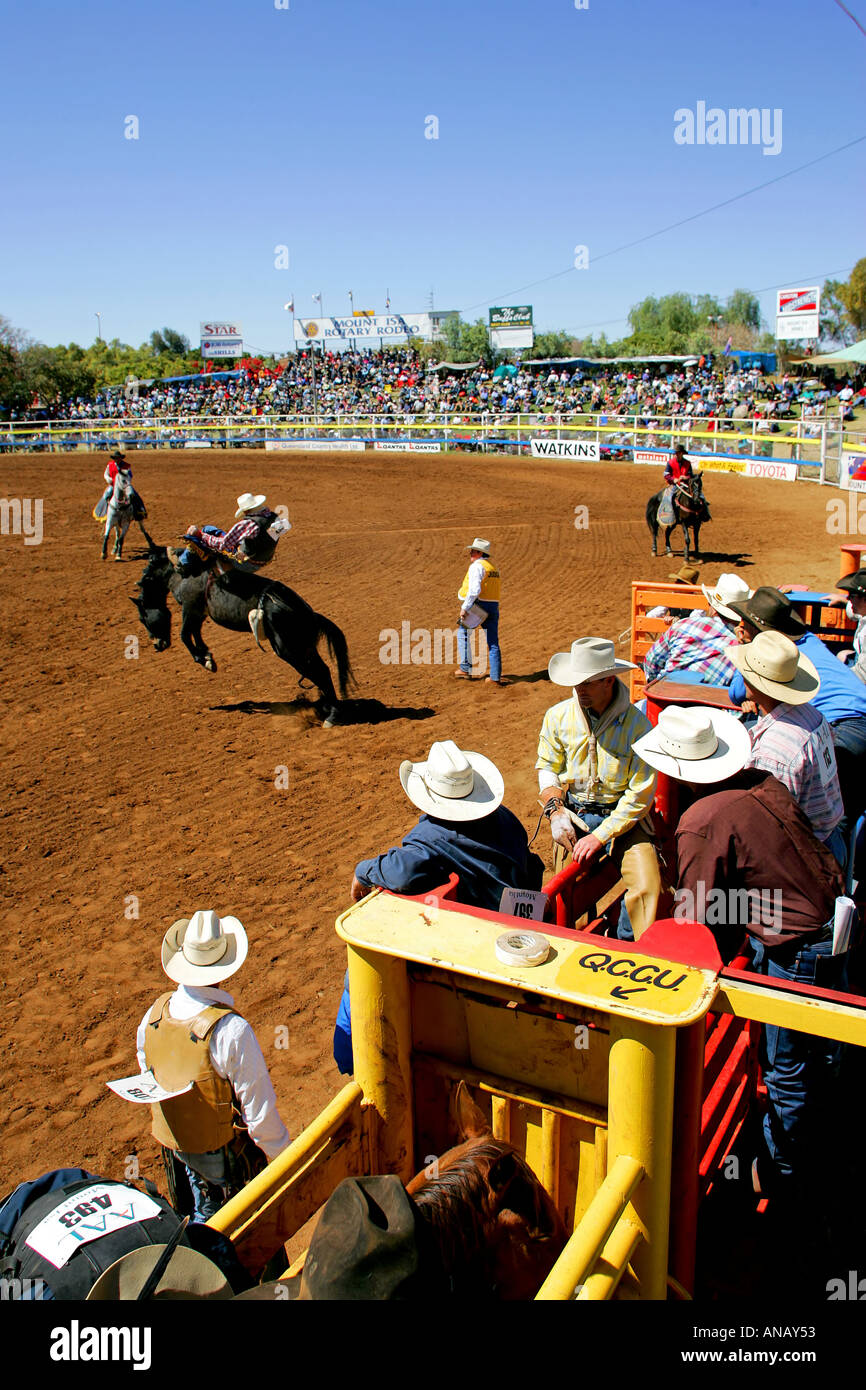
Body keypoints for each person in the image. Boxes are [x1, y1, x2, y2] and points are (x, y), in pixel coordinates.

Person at [632, 705, 847, 1198]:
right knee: (816, 1053)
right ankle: (808, 1147)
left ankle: (783, 1177)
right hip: (824, 920)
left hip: (796, 944)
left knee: (786, 1066)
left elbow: (695, 917)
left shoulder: (700, 822)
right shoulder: (762, 782)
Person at [334, 740, 543, 1072]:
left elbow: (400, 872)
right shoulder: (505, 818)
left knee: (358, 973)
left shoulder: (433, 838)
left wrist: (362, 871)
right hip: (520, 930)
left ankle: (349, 1056)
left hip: (482, 948)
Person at [136, 909, 290, 1221]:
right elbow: (260, 1118)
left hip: (174, 1148)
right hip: (221, 1162)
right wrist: (284, 1160)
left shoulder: (153, 1016)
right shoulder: (231, 1031)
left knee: (189, 1215)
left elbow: (147, 1072)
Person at [535, 636, 661, 940]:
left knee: (647, 885)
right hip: (574, 813)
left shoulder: (638, 726)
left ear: (608, 680)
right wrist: (555, 811)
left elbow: (639, 795)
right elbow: (547, 767)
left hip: (625, 820)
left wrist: (600, 835)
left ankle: (626, 942)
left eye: (588, 683)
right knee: (564, 890)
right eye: (577, 682)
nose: (579, 689)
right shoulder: (557, 717)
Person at [728, 586, 866, 827]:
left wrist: (747, 646)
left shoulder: (777, 657)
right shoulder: (807, 640)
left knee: (826, 817)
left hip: (844, 728)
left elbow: (737, 692)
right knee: (840, 810)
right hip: (850, 722)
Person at [729, 630, 845, 862]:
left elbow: (772, 825)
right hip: (830, 838)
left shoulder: (774, 751)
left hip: (805, 856)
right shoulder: (812, 715)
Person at [644, 572, 750, 687]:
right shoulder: (742, 650)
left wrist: (655, 684)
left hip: (666, 694)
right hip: (710, 701)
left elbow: (650, 661)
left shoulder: (683, 625)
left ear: (712, 607)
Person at [168, 493, 290, 574]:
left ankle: (183, 564)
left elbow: (223, 545)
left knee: (203, 533)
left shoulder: (248, 524)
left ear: (246, 510)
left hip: (246, 563)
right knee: (210, 529)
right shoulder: (275, 517)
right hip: (264, 559)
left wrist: (199, 535)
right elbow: (281, 530)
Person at [455, 537, 502, 685]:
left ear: (479, 552)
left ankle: (465, 668)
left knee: (463, 633)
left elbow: (475, 590)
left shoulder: (477, 566)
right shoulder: (493, 568)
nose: (470, 553)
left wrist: (465, 608)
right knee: (493, 642)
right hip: (493, 606)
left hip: (479, 606)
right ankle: (495, 677)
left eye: (473, 551)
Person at [836, 567, 866, 684]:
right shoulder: (863, 611)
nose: (848, 599)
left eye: (852, 596)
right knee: (841, 655)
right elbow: (855, 614)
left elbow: (862, 676)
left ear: (865, 600)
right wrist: (844, 602)